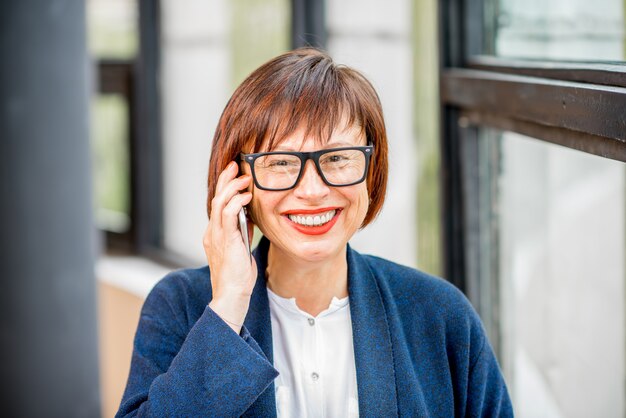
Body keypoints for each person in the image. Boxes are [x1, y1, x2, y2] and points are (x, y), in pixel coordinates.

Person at [116, 48, 513, 417]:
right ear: (236, 182)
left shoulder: (438, 313)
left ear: (371, 171)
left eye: (338, 158)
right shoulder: (182, 306)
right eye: (282, 163)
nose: (312, 191)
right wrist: (229, 308)